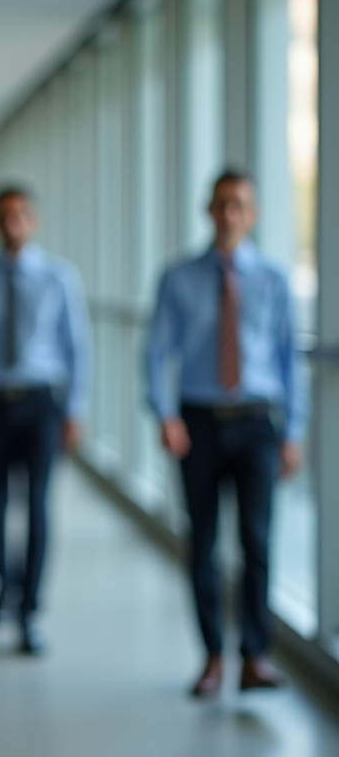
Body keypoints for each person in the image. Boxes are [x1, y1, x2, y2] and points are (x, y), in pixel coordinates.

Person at [144, 168, 306, 698]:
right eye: (221, 203)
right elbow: (156, 353)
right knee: (204, 542)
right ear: (209, 210)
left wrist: (293, 431)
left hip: (257, 423)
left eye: (239, 204)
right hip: (198, 423)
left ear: (253, 214)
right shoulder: (178, 278)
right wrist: (165, 415)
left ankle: (254, 656)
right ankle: (213, 656)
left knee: (256, 541)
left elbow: (289, 360)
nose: (230, 213)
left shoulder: (274, 280)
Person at [0, 186, 91, 656]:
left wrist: (75, 408)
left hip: (41, 403)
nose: (13, 222)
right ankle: (4, 587)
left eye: (21, 214)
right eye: (5, 214)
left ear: (34, 220)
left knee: (38, 504)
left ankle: (31, 610)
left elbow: (77, 346)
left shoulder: (59, 277)